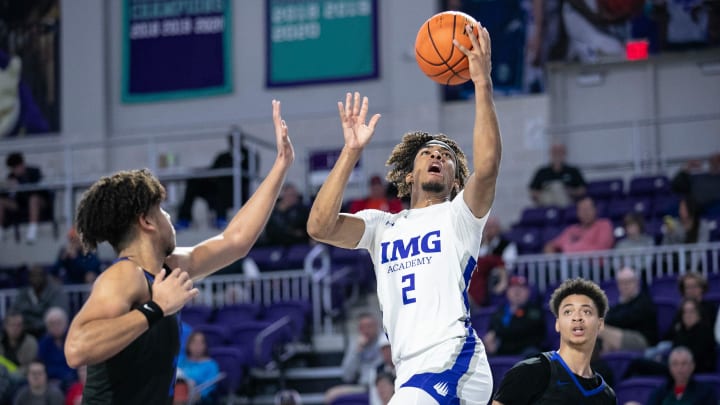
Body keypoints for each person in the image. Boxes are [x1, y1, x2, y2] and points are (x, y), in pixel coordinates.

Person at [307, 21, 499, 403]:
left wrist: (482, 83)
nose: (437, 156)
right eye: (428, 152)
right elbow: (319, 226)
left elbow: (489, 165)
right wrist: (351, 153)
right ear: (408, 174)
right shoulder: (382, 226)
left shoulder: (460, 216)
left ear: (454, 179)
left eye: (445, 157)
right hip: (410, 372)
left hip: (454, 360)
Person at [63, 99, 294, 404]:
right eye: (162, 211)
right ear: (145, 221)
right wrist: (154, 308)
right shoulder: (124, 276)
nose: (170, 218)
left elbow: (235, 241)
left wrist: (281, 165)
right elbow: (77, 349)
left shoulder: (168, 267)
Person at [492, 278, 616, 404]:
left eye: (586, 311)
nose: (577, 318)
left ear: (600, 324)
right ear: (557, 324)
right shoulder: (528, 372)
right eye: (568, 312)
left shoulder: (607, 396)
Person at [175, 127, 258, 230]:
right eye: (231, 139)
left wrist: (239, 157)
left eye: (236, 138)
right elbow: (212, 171)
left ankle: (221, 218)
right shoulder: (223, 156)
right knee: (193, 182)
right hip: (215, 191)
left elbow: (251, 172)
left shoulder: (249, 155)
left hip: (236, 192)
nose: (233, 141)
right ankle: (184, 219)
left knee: (223, 184)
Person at [325, 312, 384, 403]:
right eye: (362, 327)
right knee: (330, 395)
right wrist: (357, 351)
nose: (366, 330)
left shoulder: (384, 343)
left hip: (379, 385)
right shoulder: (356, 345)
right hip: (362, 386)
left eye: (369, 326)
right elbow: (347, 376)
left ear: (377, 326)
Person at [598, 267, 658, 354]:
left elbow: (625, 319)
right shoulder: (620, 304)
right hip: (621, 336)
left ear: (636, 282)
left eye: (629, 282)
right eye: (622, 283)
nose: (625, 286)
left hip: (642, 340)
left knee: (598, 328)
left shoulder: (644, 301)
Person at [483, 275, 545, 357]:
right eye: (513, 288)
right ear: (507, 292)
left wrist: (496, 334)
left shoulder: (535, 311)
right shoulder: (500, 311)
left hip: (524, 351)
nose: (517, 292)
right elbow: (491, 330)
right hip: (502, 350)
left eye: (521, 288)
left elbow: (522, 330)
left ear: (528, 292)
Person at [0, 152, 52, 242]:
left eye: (15, 168)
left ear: (21, 165)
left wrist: (20, 184)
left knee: (33, 199)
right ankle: (1, 229)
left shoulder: (34, 171)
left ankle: (32, 229)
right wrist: (8, 187)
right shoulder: (11, 176)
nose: (15, 171)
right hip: (21, 204)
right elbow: (8, 195)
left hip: (39, 203)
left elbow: (38, 190)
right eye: (12, 169)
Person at [468, 216, 516, 307]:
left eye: (492, 227)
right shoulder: (478, 245)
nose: (488, 230)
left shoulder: (507, 244)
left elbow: (508, 264)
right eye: (486, 227)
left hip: (495, 277)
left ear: (498, 228)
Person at [644, 346, 718, 405]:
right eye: (675, 364)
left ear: (692, 366)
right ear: (670, 367)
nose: (679, 368)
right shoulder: (659, 393)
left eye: (684, 363)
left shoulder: (705, 393)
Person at [11, 264, 69, 338]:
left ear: (45, 277)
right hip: (26, 332)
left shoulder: (56, 291)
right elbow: (14, 311)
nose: (36, 279)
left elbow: (60, 314)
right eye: (33, 276)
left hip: (49, 332)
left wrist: (30, 316)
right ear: (29, 278)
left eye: (39, 275)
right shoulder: (23, 293)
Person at [543, 197, 614, 254]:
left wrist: (573, 250)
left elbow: (601, 251)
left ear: (595, 210)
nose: (585, 213)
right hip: (571, 268)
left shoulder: (604, 225)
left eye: (588, 209)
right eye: (582, 210)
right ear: (577, 213)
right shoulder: (571, 230)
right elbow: (550, 246)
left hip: (595, 268)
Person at [528, 142, 586, 207]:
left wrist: (571, 191)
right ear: (550, 153)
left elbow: (582, 189)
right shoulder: (541, 172)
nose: (557, 154)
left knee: (558, 187)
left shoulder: (573, 171)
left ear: (565, 153)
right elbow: (532, 191)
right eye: (555, 151)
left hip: (567, 200)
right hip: (546, 202)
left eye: (560, 151)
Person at [177, 330, 221, 404]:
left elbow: (210, 387)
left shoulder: (211, 365)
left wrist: (199, 394)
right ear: (188, 345)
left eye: (201, 343)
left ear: (205, 345)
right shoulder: (181, 362)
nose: (197, 346)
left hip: (199, 399)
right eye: (194, 343)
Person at [0, 310, 38, 378]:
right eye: (12, 325)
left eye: (19, 325)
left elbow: (31, 365)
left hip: (23, 379)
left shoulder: (31, 342)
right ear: (5, 326)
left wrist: (14, 373)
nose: (15, 328)